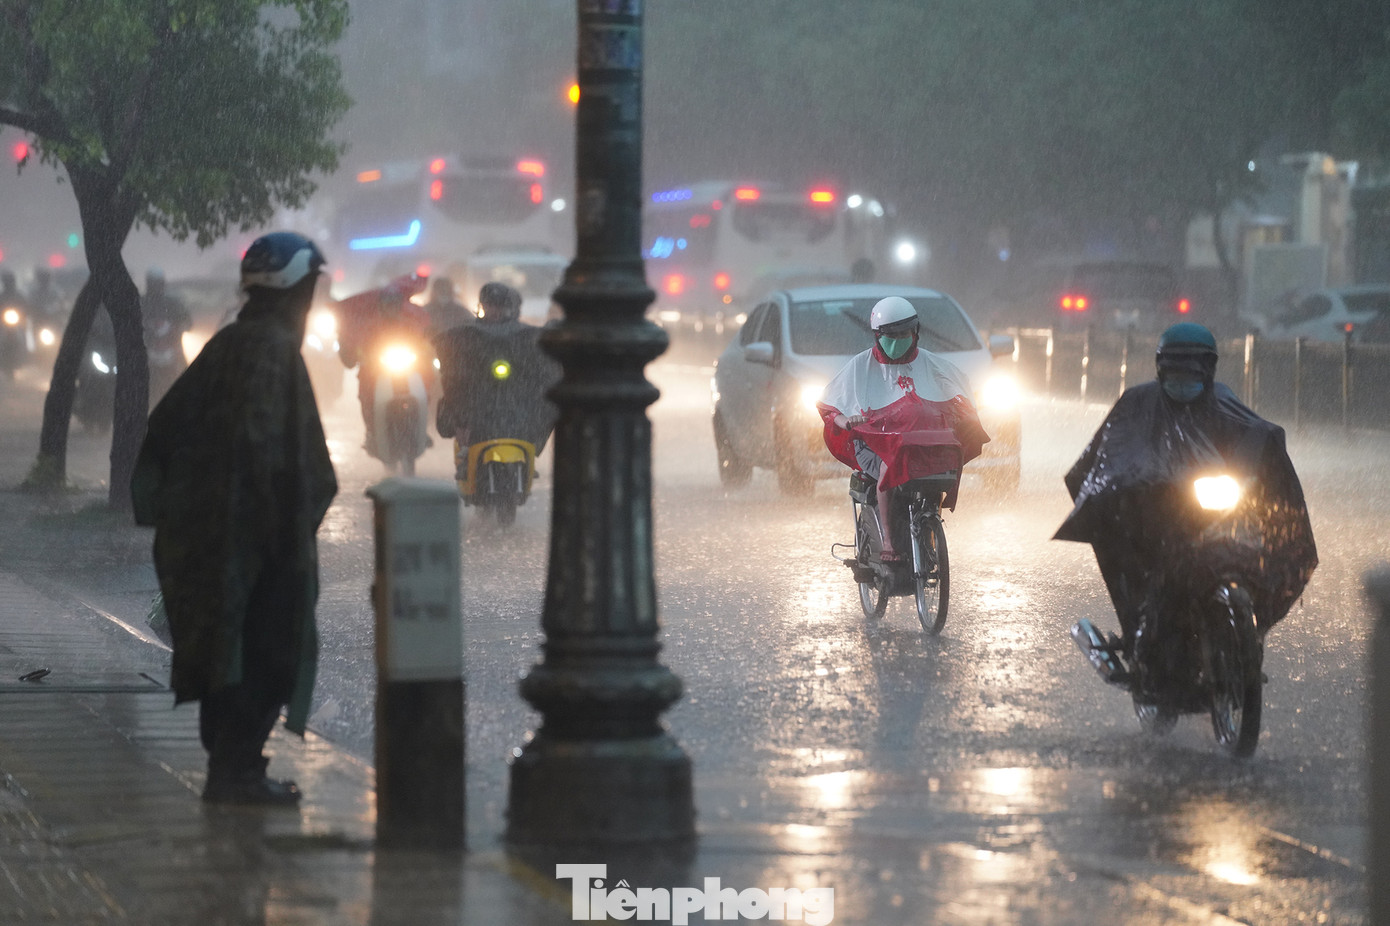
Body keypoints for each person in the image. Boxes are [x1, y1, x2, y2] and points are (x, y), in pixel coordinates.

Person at [130, 232, 338, 806]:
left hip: (207, 540)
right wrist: (278, 535)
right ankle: (236, 771)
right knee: (269, 651)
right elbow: (278, 461)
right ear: (298, 291)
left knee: (227, 651)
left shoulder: (228, 344)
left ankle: (233, 763)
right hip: (255, 544)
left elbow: (166, 432)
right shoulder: (274, 354)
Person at [1054, 322, 1317, 661]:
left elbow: (1260, 449)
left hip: (1213, 517)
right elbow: (1098, 465)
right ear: (1160, 366)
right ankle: (1140, 639)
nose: (1183, 376)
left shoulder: (1227, 410)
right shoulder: (1137, 406)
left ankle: (1244, 633)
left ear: (1210, 368)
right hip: (1150, 520)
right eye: (1174, 367)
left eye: (1193, 366)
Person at [818, 296, 989, 560]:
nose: (897, 340)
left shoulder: (933, 365)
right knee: (891, 464)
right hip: (875, 444)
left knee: (940, 471)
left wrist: (963, 415)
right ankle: (888, 542)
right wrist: (846, 421)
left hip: (922, 442)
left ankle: (930, 531)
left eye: (904, 334)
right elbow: (831, 408)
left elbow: (959, 396)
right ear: (877, 336)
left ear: (915, 332)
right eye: (890, 335)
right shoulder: (860, 366)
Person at [434, 281, 560, 456]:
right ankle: (466, 447)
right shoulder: (466, 333)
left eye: (499, 306)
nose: (495, 310)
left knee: (550, 401)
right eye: (490, 305)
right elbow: (452, 370)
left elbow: (541, 369)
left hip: (515, 398)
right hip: (478, 397)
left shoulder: (525, 335)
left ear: (510, 307)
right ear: (482, 306)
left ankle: (531, 446)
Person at [334, 273, 434, 452]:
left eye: (394, 304)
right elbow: (359, 346)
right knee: (366, 394)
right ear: (382, 305)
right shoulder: (370, 326)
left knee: (425, 389)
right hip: (376, 371)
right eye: (388, 304)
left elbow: (423, 341)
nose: (391, 308)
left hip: (408, 368)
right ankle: (372, 432)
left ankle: (422, 430)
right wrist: (361, 356)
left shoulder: (410, 323)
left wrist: (427, 352)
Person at [142, 268, 193, 402]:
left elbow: (188, 323)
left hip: (173, 352)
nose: (155, 287)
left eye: (157, 283)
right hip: (146, 354)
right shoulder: (140, 303)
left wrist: (178, 329)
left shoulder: (173, 304)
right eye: (153, 283)